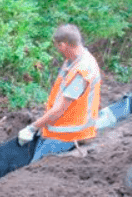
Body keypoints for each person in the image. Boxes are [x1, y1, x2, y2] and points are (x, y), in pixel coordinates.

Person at [18, 24, 102, 160]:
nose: (57, 50)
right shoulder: (74, 60)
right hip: (65, 127)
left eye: (57, 46)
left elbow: (59, 109)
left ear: (63, 45)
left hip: (69, 134)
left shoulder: (82, 71)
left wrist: (32, 128)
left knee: (35, 165)